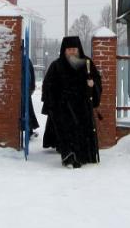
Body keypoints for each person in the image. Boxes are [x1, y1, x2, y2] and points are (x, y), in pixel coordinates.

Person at [41, 36, 102, 168]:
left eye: (74, 49)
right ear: (64, 50)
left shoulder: (87, 63)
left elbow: (97, 80)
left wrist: (93, 85)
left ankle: (84, 157)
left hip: (82, 106)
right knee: (67, 134)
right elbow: (47, 85)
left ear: (79, 49)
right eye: (69, 50)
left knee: (83, 133)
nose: (72, 52)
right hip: (63, 108)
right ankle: (69, 158)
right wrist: (54, 103)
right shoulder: (56, 65)